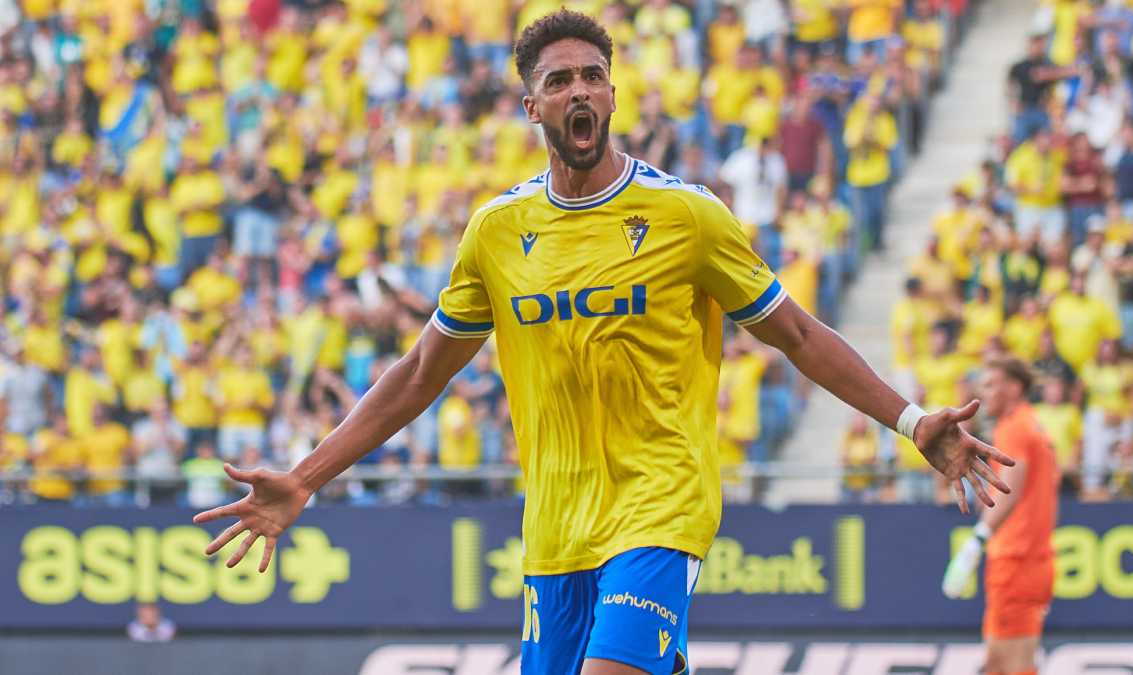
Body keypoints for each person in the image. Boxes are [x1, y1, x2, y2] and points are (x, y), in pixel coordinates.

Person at [194, 12, 1012, 675]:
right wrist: (304, 478)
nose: (579, 90)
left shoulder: (686, 216)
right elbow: (416, 374)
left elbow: (795, 333)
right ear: (533, 107)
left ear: (612, 92)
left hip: (661, 506)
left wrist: (910, 423)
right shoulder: (497, 232)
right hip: (556, 529)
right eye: (559, 81)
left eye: (592, 75)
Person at [943, 358, 1060, 675]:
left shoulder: (1014, 427)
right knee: (997, 665)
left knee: (1013, 666)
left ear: (1015, 387)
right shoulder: (1031, 424)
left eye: (992, 384)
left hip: (1017, 561)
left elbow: (1011, 489)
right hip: (1026, 559)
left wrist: (976, 540)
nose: (985, 393)